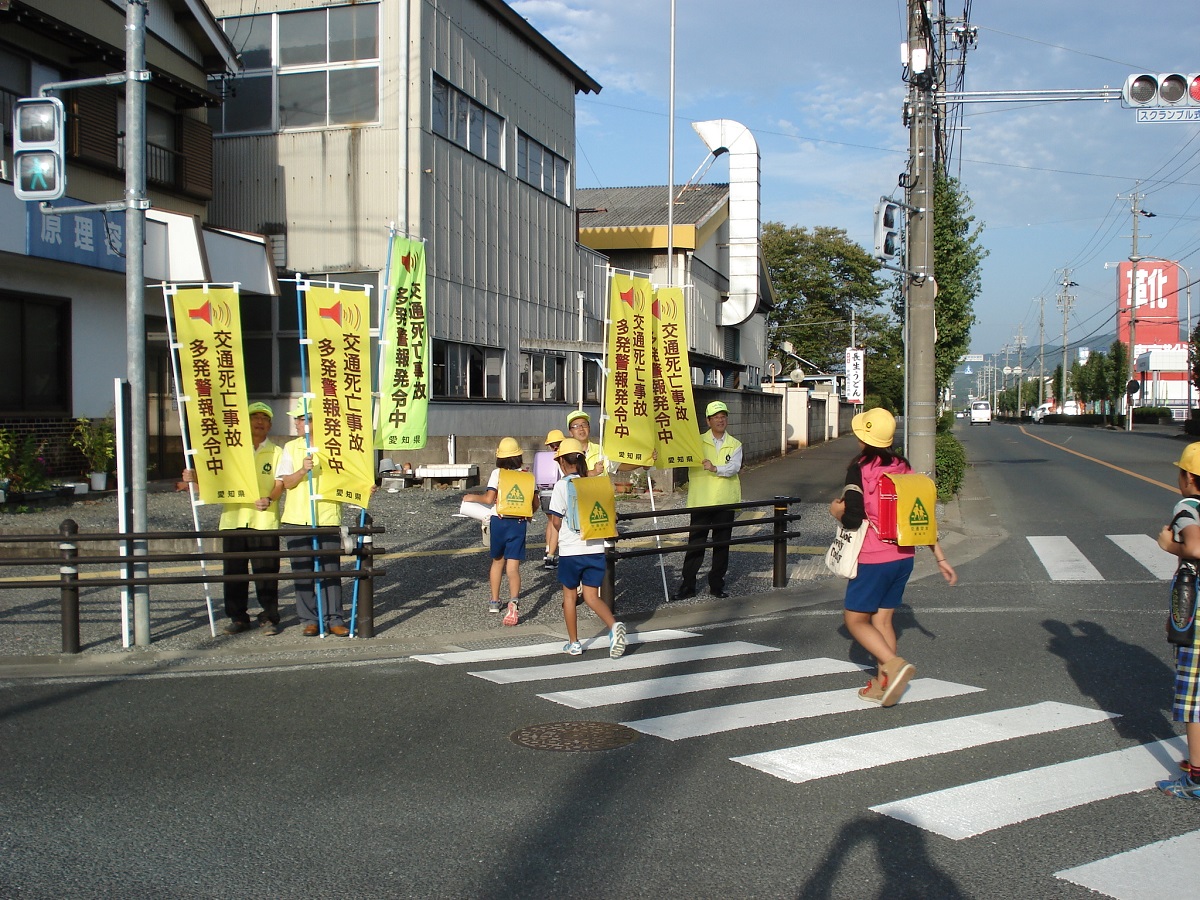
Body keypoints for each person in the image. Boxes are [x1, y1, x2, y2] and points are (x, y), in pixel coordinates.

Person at [829, 407, 956, 707]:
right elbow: (919, 515)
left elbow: (853, 516)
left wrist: (837, 512)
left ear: (863, 436)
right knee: (883, 620)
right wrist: (939, 556)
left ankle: (893, 665)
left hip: (874, 557)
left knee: (855, 620)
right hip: (904, 556)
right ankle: (885, 685)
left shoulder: (859, 468)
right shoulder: (902, 465)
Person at [182, 401, 285, 635]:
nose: (259, 422)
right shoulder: (230, 452)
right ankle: (238, 617)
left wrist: (269, 499)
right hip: (233, 519)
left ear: (269, 425)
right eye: (254, 417)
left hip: (264, 521)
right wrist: (193, 479)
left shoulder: (277, 452)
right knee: (234, 572)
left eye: (264, 418)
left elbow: (280, 484)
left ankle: (269, 617)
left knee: (267, 573)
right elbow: (212, 486)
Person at [545, 438, 626, 658]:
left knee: (570, 597)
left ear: (561, 461)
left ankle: (574, 643)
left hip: (571, 550)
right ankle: (613, 626)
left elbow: (556, 521)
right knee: (591, 596)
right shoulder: (595, 483)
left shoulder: (562, 485)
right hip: (595, 548)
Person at [275, 404, 348, 637]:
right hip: (297, 518)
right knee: (302, 571)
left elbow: (348, 478)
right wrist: (302, 470)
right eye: (296, 420)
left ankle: (334, 618)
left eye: (301, 419)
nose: (297, 424)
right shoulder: (291, 447)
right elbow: (285, 482)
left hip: (327, 516)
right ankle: (309, 619)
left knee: (330, 570)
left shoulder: (334, 445)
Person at [1154, 442, 1200, 799]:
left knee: (1194, 696)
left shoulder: (1188, 507)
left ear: (1187, 477)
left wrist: (1169, 545)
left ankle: (1196, 775)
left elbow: (1196, 548)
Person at [463, 437, 539, 625]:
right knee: (513, 567)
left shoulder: (498, 473)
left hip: (499, 520)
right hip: (518, 523)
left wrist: (471, 497)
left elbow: (489, 499)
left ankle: (495, 601)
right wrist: (527, 514)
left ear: (499, 458)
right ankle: (514, 601)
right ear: (519, 457)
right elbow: (535, 503)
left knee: (497, 562)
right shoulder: (528, 476)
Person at [675, 401, 743, 601]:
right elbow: (678, 455)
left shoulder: (735, 444)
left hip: (725, 500)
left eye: (723, 416)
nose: (720, 420)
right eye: (716, 417)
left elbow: (735, 467)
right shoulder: (695, 442)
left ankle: (716, 585)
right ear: (708, 420)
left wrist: (715, 468)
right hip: (701, 500)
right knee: (695, 545)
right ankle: (688, 586)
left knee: (722, 545)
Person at [541, 428, 566, 570]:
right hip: (557, 493)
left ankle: (547, 550)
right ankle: (551, 556)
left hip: (544, 493)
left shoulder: (543, 458)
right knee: (558, 524)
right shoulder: (561, 458)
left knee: (550, 521)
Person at [566, 410, 607, 476]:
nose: (581, 428)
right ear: (570, 432)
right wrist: (593, 472)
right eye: (576, 426)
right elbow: (570, 477)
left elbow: (616, 466)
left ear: (589, 428)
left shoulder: (601, 450)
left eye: (584, 425)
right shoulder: (567, 453)